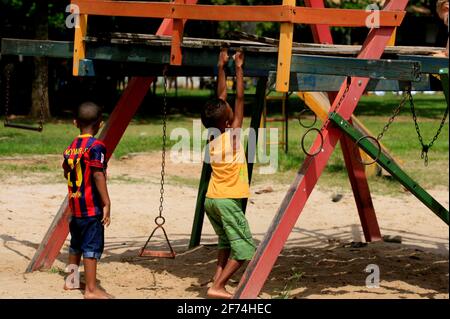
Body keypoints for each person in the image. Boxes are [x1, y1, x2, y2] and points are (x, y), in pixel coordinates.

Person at [201, 48, 256, 299]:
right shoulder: (233, 137)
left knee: (225, 242)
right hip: (226, 201)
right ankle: (218, 286)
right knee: (245, 249)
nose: (232, 111)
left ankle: (216, 279)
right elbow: (240, 99)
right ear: (227, 122)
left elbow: (221, 98)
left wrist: (221, 66)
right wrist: (240, 70)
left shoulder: (211, 137)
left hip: (211, 200)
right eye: (230, 114)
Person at [62, 101, 112, 299]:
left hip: (75, 207)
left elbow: (66, 169)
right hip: (91, 209)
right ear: (100, 123)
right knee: (91, 247)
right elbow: (98, 174)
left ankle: (72, 281)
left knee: (76, 244)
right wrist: (107, 202)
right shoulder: (96, 146)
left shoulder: (71, 147)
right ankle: (91, 290)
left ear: (75, 123)